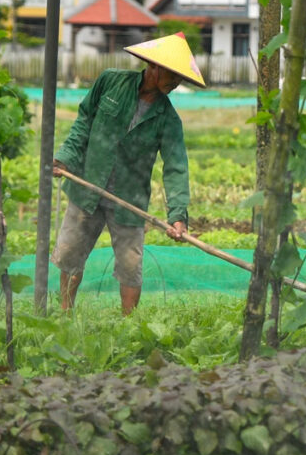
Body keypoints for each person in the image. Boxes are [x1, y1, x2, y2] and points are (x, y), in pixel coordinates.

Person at [51, 32, 206, 315]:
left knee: (130, 267)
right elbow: (83, 122)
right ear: (154, 67)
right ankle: (64, 314)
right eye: (173, 75)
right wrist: (65, 158)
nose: (176, 83)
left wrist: (178, 216)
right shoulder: (110, 81)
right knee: (71, 255)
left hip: (129, 200)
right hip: (88, 186)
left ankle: (129, 325)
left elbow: (176, 167)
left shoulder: (168, 119)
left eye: (181, 78)